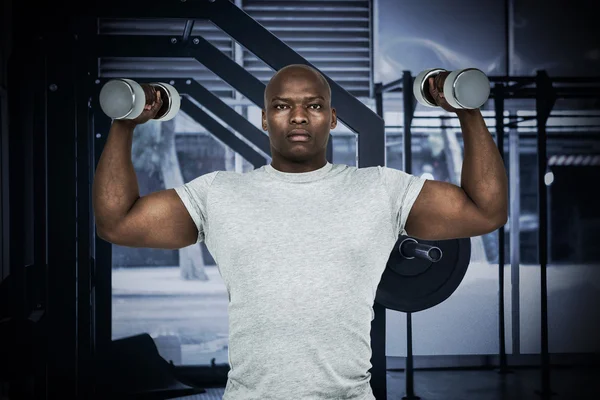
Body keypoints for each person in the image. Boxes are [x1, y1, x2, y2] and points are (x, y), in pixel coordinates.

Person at [92, 64, 508, 399]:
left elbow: (485, 211)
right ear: (264, 118)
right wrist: (124, 124)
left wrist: (467, 111)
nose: (297, 116)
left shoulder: (379, 188)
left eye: (312, 105)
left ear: (332, 119)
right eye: (281, 105)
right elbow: (116, 222)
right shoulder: (220, 192)